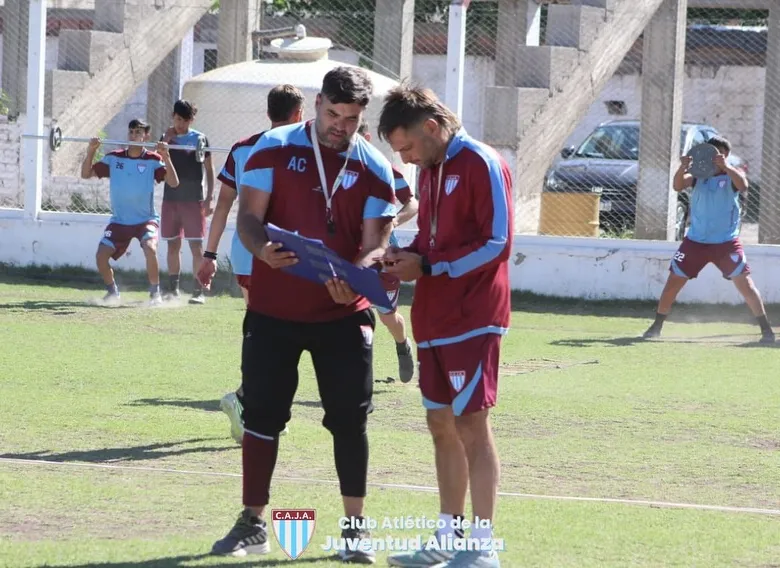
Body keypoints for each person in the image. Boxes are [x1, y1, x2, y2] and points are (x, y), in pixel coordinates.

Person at [210, 66, 397, 564]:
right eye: (333, 114)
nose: (341, 126)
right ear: (316, 103)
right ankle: (252, 522)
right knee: (261, 417)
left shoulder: (375, 166)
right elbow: (249, 216)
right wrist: (262, 249)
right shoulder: (272, 146)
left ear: (363, 116)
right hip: (273, 311)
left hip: (342, 314)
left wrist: (356, 274)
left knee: (350, 422)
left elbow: (376, 244)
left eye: (352, 118)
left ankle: (355, 531)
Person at [377, 84, 513, 568]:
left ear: (431, 128)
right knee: (441, 426)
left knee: (472, 424)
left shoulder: (481, 162)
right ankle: (445, 538)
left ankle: (481, 547)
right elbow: (436, 240)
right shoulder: (430, 171)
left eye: (408, 147)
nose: (407, 159)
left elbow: (497, 242)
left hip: (473, 318)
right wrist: (403, 256)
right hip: (432, 317)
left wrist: (429, 267)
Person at [197, 84, 306, 444]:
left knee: (270, 334)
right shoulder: (299, 146)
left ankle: (266, 409)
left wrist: (209, 256)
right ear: (297, 114)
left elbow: (224, 205)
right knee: (276, 337)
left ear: (269, 112)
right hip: (277, 254)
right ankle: (244, 400)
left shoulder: (243, 147)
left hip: (247, 252)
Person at [643, 136, 775, 344]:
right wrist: (682, 167)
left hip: (726, 243)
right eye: (709, 152)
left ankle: (766, 330)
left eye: (717, 154)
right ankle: (656, 327)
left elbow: (743, 185)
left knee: (746, 285)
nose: (712, 157)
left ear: (725, 155)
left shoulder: (732, 174)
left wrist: (726, 166)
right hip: (695, 242)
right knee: (672, 284)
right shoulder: (697, 176)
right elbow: (678, 186)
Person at [80, 119, 179, 304]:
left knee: (150, 248)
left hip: (145, 220)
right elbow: (85, 174)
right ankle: (112, 292)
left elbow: (174, 183)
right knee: (101, 256)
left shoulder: (153, 159)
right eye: (131, 132)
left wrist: (166, 156)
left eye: (138, 133)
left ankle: (155, 294)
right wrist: (91, 150)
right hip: (119, 221)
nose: (134, 136)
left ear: (145, 136)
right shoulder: (114, 157)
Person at [357, 118, 418, 383]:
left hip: (383, 255)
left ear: (366, 139)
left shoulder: (385, 170)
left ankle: (403, 344)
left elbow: (412, 204)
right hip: (350, 254)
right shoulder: (334, 170)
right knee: (348, 314)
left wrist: (393, 220)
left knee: (388, 316)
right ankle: (355, 376)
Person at [160, 99, 215, 304]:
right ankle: (172, 289)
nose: (180, 124)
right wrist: (165, 139)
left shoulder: (200, 139)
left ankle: (198, 291)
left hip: (193, 201)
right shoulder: (166, 139)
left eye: (184, 120)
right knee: (173, 245)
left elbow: (209, 169)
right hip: (170, 200)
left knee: (196, 247)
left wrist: (209, 197)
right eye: (177, 119)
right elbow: (158, 162)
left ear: (192, 120)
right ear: (172, 117)